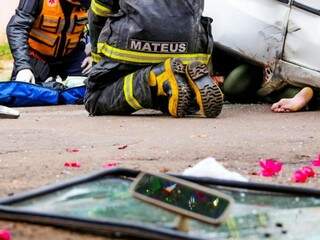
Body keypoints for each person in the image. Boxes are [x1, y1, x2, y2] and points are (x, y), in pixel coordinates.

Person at [84, 0, 224, 118]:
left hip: (133, 47)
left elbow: (99, 12)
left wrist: (97, 62)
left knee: (94, 99)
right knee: (179, 96)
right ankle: (187, 91)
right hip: (188, 51)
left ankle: (157, 77)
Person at [7, 0, 92, 85]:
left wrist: (94, 55)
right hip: (36, 56)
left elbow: (100, 26)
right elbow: (17, 27)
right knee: (23, 90)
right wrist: (23, 67)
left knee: (92, 87)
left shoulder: (94, 2)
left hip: (73, 55)